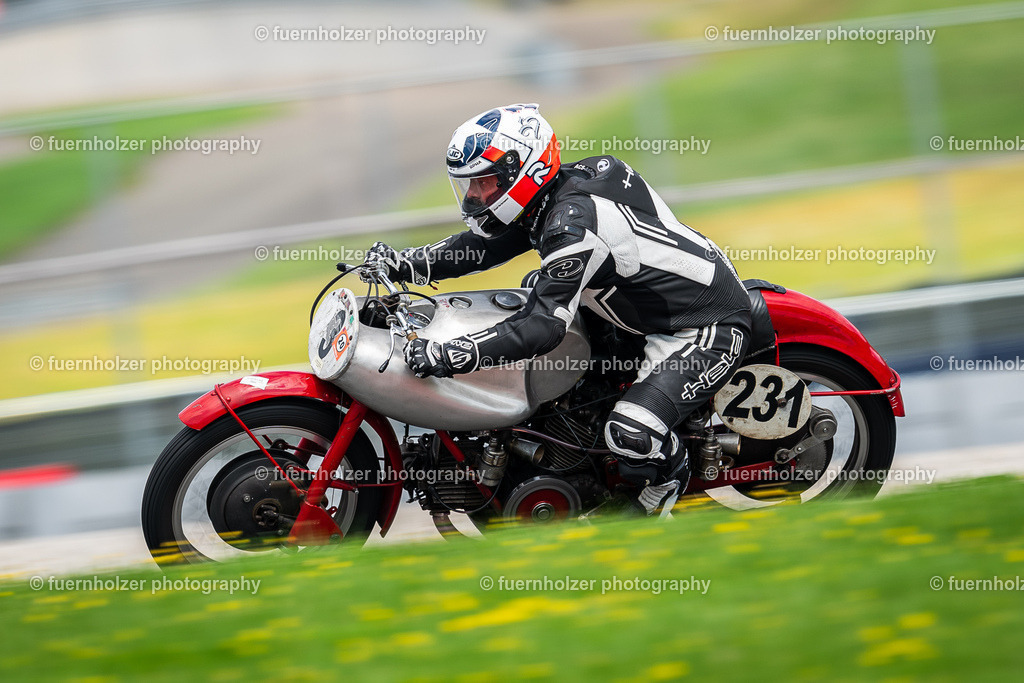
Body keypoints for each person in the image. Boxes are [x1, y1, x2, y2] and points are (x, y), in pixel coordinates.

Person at [364, 103, 751, 513]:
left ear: (525, 171)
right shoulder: (554, 197)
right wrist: (407, 264)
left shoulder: (573, 225)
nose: (474, 197)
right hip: (634, 308)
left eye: (485, 182)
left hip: (702, 325)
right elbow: (484, 247)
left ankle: (668, 480)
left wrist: (450, 355)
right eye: (469, 185)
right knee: (538, 298)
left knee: (629, 432)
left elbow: (540, 328)